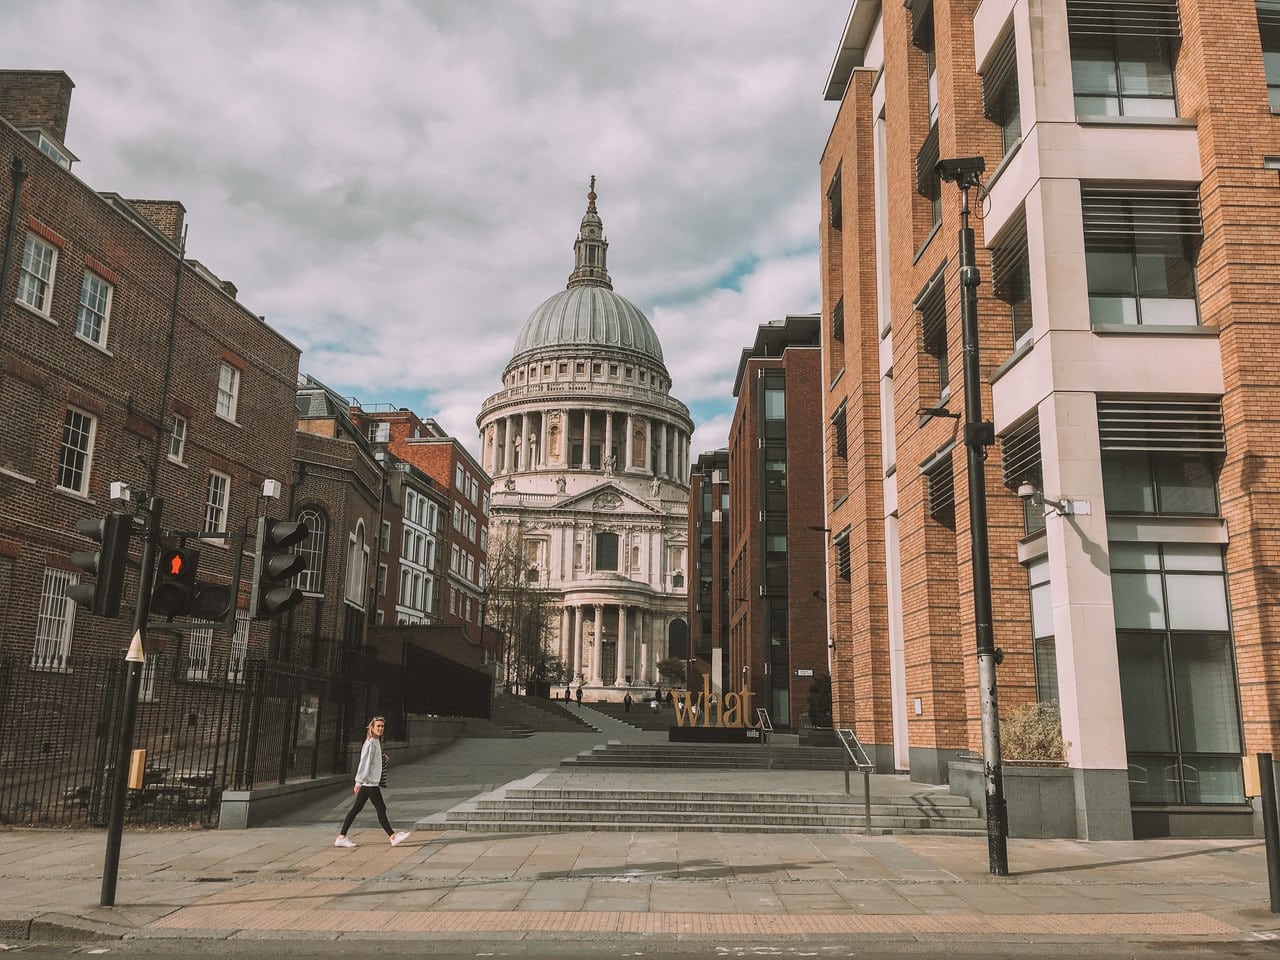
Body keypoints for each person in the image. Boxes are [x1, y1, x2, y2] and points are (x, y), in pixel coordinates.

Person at [335, 716, 410, 849]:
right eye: (378, 726)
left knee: (356, 809)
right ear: (372, 727)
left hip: (369, 782)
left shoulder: (375, 741)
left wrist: (382, 758)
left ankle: (341, 837)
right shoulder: (370, 742)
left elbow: (373, 759)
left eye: (382, 726)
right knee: (381, 809)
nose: (380, 728)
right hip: (369, 783)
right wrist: (358, 781)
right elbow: (364, 762)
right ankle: (392, 836)